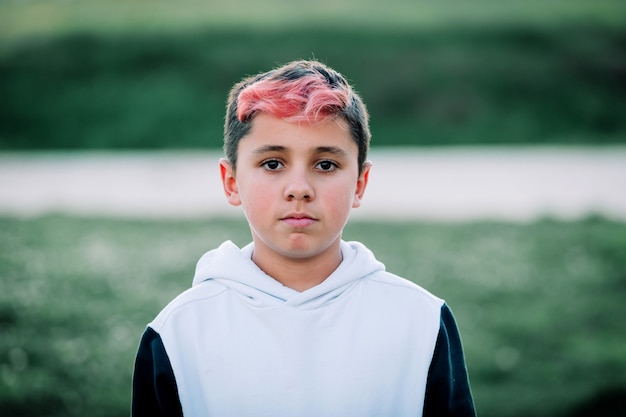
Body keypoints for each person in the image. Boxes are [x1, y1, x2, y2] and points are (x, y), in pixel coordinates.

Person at [131, 60, 476, 417]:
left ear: (359, 184)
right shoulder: (179, 332)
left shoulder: (419, 320)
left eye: (325, 164)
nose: (299, 189)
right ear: (231, 181)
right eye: (273, 164)